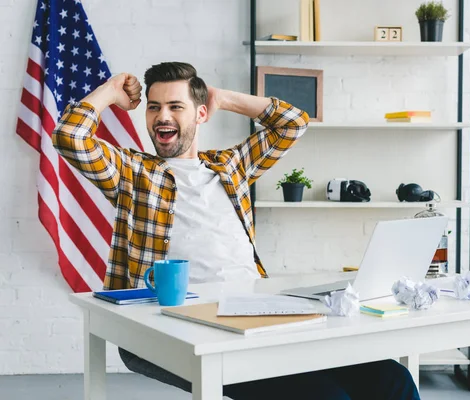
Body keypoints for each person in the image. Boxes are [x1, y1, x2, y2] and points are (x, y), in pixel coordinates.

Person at [52, 62, 420, 400]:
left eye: (175, 106)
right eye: (154, 106)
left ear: (199, 114)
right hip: (182, 324)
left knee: (393, 380)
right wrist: (112, 90)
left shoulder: (231, 166)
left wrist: (223, 98)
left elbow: (293, 122)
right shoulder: (132, 171)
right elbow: (69, 135)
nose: (162, 116)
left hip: (259, 311)